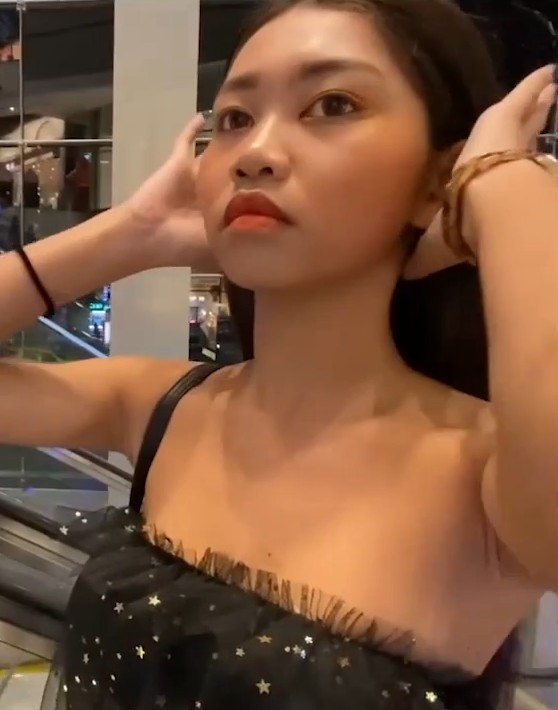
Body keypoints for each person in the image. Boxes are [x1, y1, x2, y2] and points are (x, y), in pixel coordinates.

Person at [0, 0, 556, 708]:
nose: (256, 151)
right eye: (234, 118)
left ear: (436, 181)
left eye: (333, 104)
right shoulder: (162, 408)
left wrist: (503, 184)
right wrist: (134, 232)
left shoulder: (487, 475)